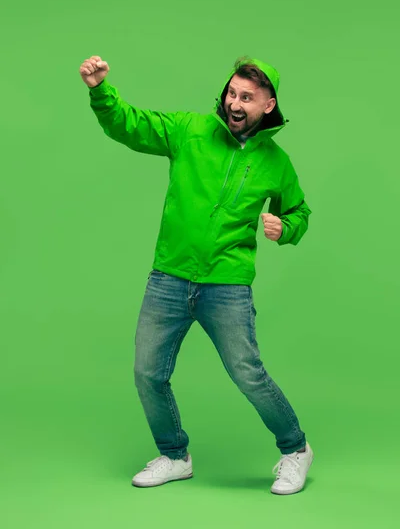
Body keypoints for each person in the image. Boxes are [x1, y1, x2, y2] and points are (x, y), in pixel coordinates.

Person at [80, 54, 314, 495]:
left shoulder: (276, 163)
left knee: (248, 373)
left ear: (268, 105)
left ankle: (296, 449)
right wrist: (100, 91)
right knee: (148, 372)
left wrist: (286, 228)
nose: (235, 103)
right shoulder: (189, 130)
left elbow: (299, 210)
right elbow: (130, 124)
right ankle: (173, 456)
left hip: (226, 284)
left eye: (247, 97)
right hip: (169, 276)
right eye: (231, 93)